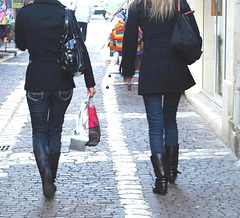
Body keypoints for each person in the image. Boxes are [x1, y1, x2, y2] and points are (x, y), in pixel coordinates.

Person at [15, 0, 96, 199]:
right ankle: (52, 178)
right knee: (55, 130)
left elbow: (21, 45)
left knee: (39, 130)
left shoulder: (25, 14)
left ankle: (46, 178)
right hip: (62, 80)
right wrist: (90, 82)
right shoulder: (66, 13)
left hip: (36, 79)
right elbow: (81, 48)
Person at [122, 0, 202, 195]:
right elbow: (195, 33)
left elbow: (130, 38)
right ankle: (172, 172)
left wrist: (128, 69)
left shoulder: (138, 6)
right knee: (170, 120)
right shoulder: (177, 2)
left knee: (155, 125)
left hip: (151, 65)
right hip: (174, 64)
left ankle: (161, 180)